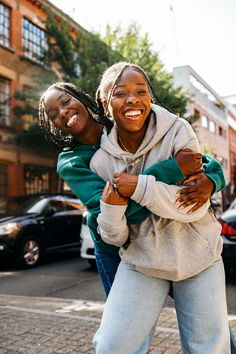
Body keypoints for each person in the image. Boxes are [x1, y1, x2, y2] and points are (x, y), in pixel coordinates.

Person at [38, 82, 235, 353]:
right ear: (54, 126)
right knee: (124, 336)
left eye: (64, 100)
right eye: (52, 114)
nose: (62, 111)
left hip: (174, 237)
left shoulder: (120, 121)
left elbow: (197, 159)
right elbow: (113, 209)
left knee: (211, 329)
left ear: (81, 98)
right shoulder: (71, 160)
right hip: (118, 249)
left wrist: (212, 179)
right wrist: (173, 171)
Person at [88, 62, 231, 353]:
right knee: (112, 346)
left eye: (141, 91)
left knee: (209, 348)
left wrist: (138, 187)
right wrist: (113, 211)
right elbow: (114, 236)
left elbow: (190, 206)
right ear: (105, 103)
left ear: (150, 97)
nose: (132, 99)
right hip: (143, 261)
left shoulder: (178, 130)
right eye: (120, 93)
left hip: (199, 256)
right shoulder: (101, 162)